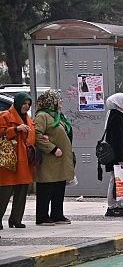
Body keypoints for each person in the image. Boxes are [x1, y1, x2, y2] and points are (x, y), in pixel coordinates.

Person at [34, 90, 75, 225]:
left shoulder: (57, 116)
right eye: (59, 98)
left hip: (60, 160)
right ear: (51, 101)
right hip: (49, 160)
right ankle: (42, 217)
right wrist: (52, 148)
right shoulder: (42, 116)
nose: (61, 101)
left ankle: (57, 214)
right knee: (46, 188)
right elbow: (37, 135)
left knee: (58, 187)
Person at [0, 93, 36, 229]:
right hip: (9, 160)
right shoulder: (6, 116)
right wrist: (15, 129)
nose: (26, 106)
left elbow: (32, 135)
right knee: (4, 191)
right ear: (18, 103)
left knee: (22, 190)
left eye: (28, 104)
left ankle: (15, 219)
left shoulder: (28, 119)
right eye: (24, 103)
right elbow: (1, 133)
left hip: (24, 159)